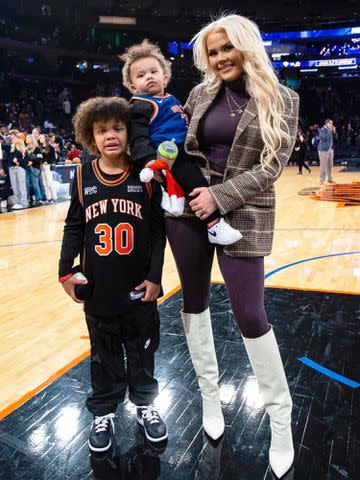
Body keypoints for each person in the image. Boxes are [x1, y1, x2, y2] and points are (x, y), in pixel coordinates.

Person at [164, 15, 299, 479]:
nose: (220, 58)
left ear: (246, 47)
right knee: (194, 303)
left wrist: (219, 196)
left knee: (250, 315)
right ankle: (209, 399)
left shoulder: (283, 99)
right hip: (187, 214)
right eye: (213, 51)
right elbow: (185, 148)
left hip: (243, 212)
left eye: (227, 48)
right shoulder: (199, 94)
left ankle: (280, 420)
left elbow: (271, 165)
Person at [58, 97, 167, 452]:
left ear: (129, 130)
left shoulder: (145, 173)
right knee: (103, 357)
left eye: (117, 128)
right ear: (90, 135)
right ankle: (103, 412)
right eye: (101, 130)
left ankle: (146, 406)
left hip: (139, 288)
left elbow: (157, 231)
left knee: (142, 353)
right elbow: (74, 228)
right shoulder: (82, 175)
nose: (110, 136)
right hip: (100, 288)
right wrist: (65, 273)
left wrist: (155, 276)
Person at [120, 40, 242, 246]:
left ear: (165, 77)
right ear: (133, 87)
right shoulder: (141, 105)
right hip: (169, 154)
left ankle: (176, 197)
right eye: (141, 76)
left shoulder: (171, 99)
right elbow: (138, 137)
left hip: (183, 149)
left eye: (153, 72)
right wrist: (149, 160)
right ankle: (214, 224)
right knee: (198, 185)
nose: (148, 77)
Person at [317, 118, 337, 185]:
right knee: (323, 165)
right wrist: (329, 130)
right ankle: (321, 180)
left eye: (332, 123)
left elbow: (336, 138)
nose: (332, 125)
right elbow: (324, 137)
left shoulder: (330, 130)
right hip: (323, 150)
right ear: (327, 123)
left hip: (330, 149)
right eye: (331, 123)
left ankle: (330, 179)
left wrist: (334, 132)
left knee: (330, 165)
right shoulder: (322, 130)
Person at [38, 134, 57, 203]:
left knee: (49, 182)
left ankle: (54, 197)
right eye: (40, 138)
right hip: (41, 166)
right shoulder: (39, 148)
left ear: (45, 138)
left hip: (47, 166)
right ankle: (48, 198)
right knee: (44, 183)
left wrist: (47, 162)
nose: (40, 138)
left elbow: (53, 158)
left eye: (42, 137)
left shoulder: (50, 148)